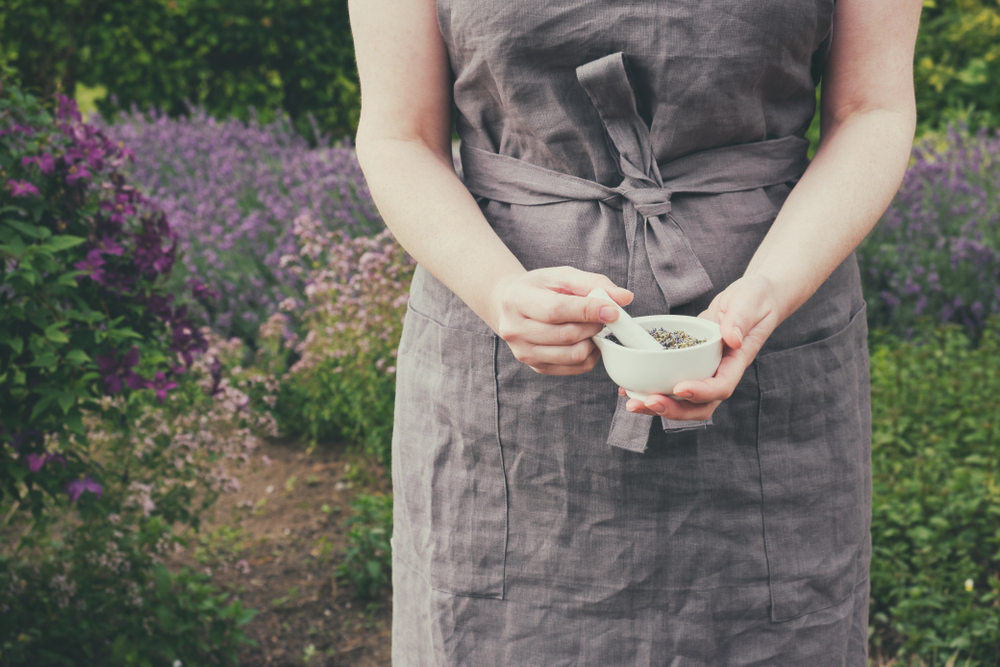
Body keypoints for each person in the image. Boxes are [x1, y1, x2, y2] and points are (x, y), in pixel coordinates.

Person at [349, 0, 921, 664]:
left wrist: (767, 294)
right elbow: (399, 134)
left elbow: (871, 110)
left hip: (775, 366)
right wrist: (497, 290)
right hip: (505, 391)